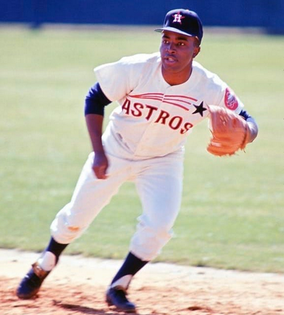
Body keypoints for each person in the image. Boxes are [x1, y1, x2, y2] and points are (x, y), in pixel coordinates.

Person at [16, 8, 258, 313]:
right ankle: (43, 265)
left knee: (159, 226)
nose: (171, 47)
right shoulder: (137, 68)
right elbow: (95, 97)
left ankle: (119, 285)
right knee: (75, 219)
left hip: (163, 160)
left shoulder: (209, 86)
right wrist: (99, 152)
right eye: (167, 39)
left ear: (196, 48)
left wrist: (245, 133)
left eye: (181, 42)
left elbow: (250, 122)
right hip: (115, 148)